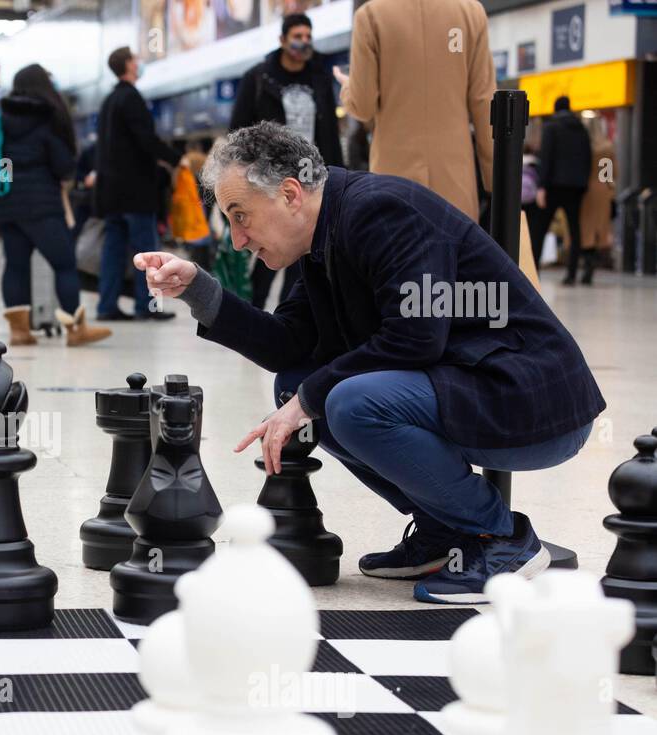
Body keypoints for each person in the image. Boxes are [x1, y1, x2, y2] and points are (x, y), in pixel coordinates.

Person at [134, 122, 604, 605]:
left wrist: (309, 401)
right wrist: (197, 288)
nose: (236, 240)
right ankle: (445, 530)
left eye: (240, 216)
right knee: (296, 384)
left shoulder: (384, 211)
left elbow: (415, 337)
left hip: (531, 399)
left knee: (347, 401)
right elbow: (288, 347)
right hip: (470, 386)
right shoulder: (319, 237)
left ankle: (502, 539)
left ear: (291, 194)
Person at [335, 0, 494, 223]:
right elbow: (484, 102)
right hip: (455, 177)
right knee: (456, 252)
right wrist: (496, 178)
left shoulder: (371, 16)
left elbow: (363, 106)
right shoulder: (470, 12)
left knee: (396, 252)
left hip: (393, 177)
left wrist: (347, 88)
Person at [231, 12, 344, 309]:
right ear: (282, 40)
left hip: (310, 177)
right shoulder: (258, 78)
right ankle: (252, 312)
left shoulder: (319, 77)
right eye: (297, 37)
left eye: (308, 36)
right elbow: (238, 130)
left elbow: (329, 130)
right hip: (268, 176)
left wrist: (339, 173)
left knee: (301, 247)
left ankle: (289, 316)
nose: (304, 43)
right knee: (267, 244)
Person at [0, 64, 110, 348]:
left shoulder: (0, 118)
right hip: (42, 205)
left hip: (7, 202)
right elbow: (64, 167)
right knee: (65, 263)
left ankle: (19, 332)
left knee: (16, 266)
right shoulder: (46, 117)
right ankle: (75, 328)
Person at [94, 46, 182, 322]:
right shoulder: (131, 98)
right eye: (135, 58)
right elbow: (146, 139)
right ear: (129, 65)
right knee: (147, 253)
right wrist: (175, 158)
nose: (139, 62)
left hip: (111, 192)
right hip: (134, 190)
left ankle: (106, 306)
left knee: (113, 251)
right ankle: (147, 307)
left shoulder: (109, 101)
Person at [532, 96, 593, 286]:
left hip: (553, 186)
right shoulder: (582, 129)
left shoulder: (551, 127)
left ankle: (534, 271)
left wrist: (541, 186)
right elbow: (589, 158)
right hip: (576, 187)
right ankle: (572, 273)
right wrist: (585, 183)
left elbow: (546, 157)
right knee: (575, 230)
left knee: (540, 229)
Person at [578, 120, 615, 287]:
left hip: (585, 190)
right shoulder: (606, 147)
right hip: (601, 190)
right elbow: (608, 174)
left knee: (585, 229)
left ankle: (586, 262)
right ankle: (593, 262)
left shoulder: (584, 145)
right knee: (599, 228)